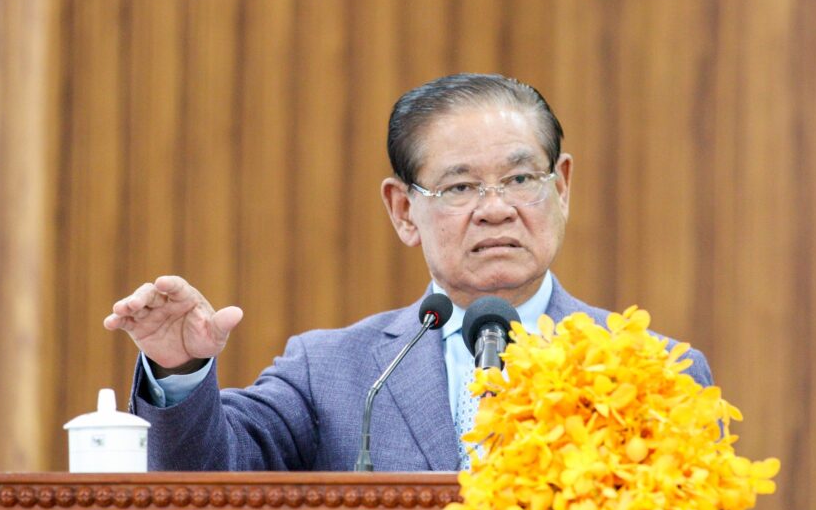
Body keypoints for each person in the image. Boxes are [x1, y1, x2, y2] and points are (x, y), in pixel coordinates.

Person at [104, 73, 716, 472]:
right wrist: (178, 371)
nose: (496, 208)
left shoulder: (658, 372)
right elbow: (210, 480)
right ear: (403, 210)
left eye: (520, 178)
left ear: (561, 188)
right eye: (460, 187)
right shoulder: (334, 374)